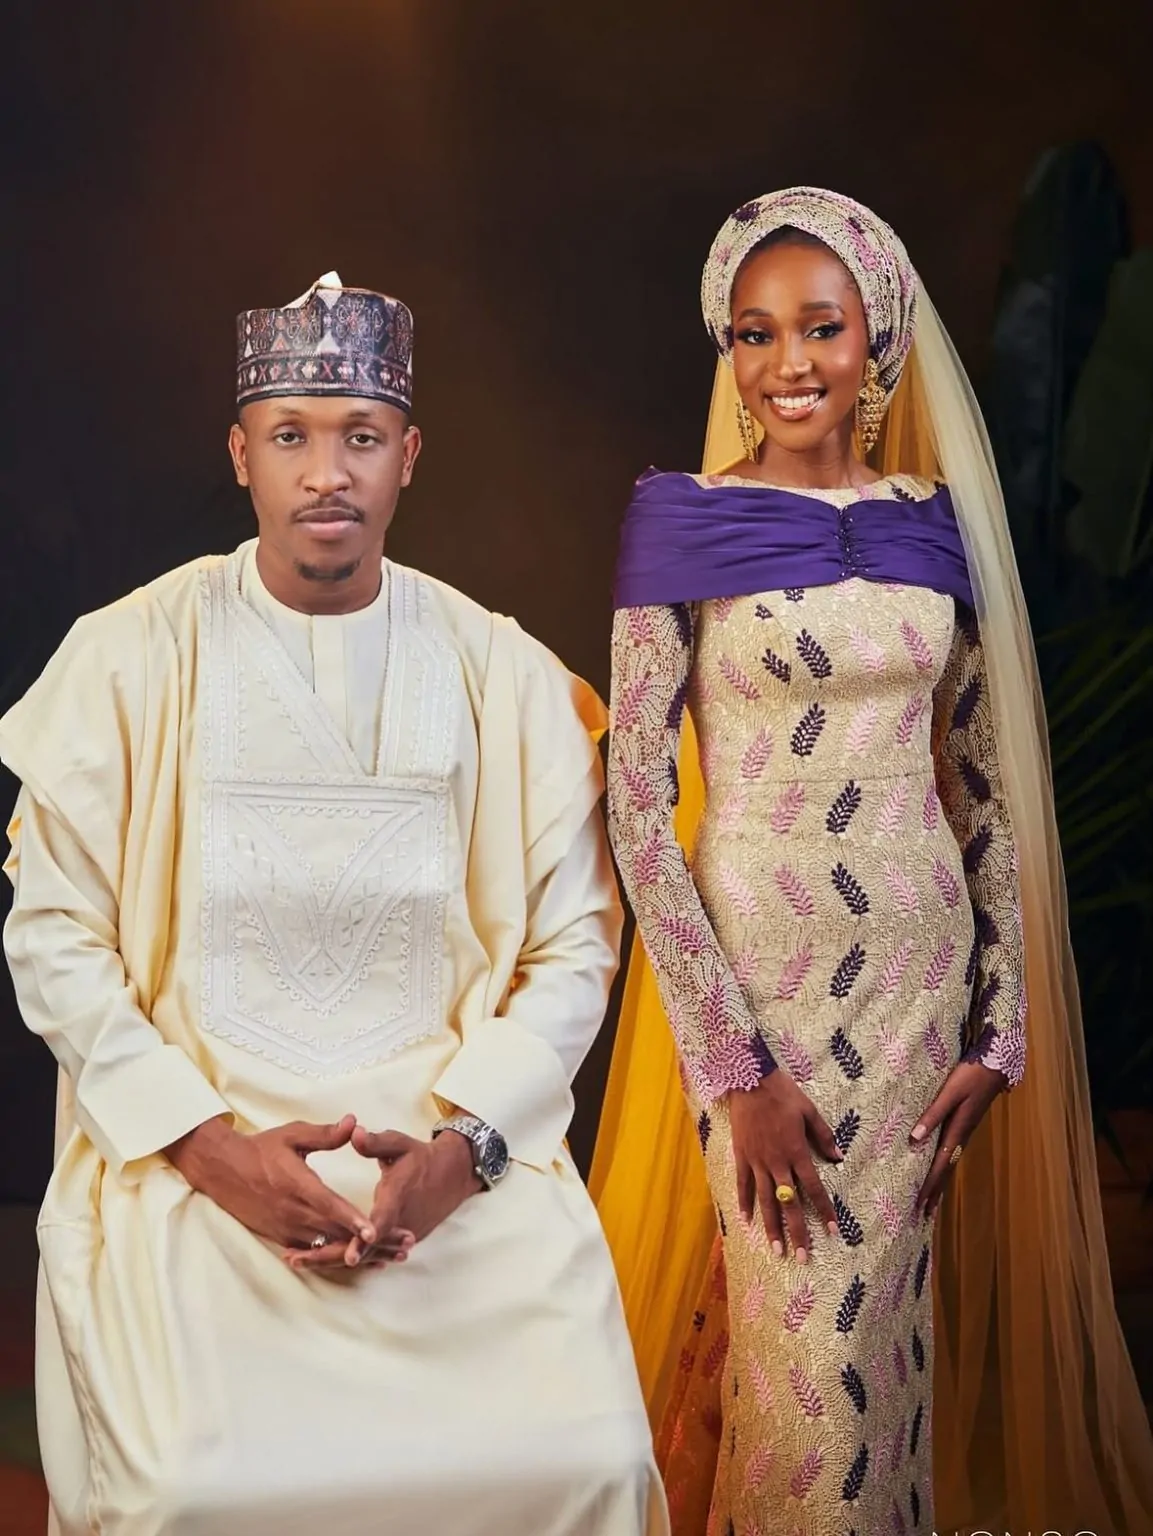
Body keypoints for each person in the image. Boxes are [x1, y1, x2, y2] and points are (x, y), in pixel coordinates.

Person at [1, 271, 668, 1536]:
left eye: (360, 437)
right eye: (291, 437)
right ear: (239, 454)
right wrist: (210, 1149)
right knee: (191, 1493)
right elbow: (54, 933)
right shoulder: (130, 655)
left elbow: (575, 946)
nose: (326, 475)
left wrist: (463, 1154)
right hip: (196, 1169)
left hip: (449, 1174)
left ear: (407, 456)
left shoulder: (500, 670)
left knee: (592, 1464)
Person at [592, 189, 1153, 1535]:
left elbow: (982, 792)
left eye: (820, 328)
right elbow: (636, 809)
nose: (787, 363)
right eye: (754, 333)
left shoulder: (932, 526)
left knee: (879, 1363)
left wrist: (1000, 1028)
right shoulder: (681, 527)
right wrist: (733, 1071)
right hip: (761, 999)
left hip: (916, 994)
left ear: (878, 338)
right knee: (811, 1365)